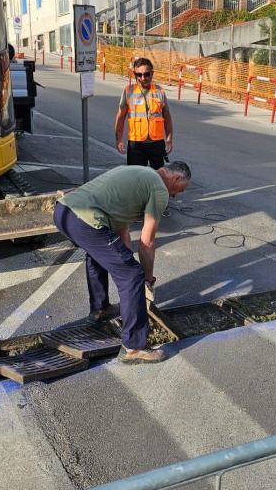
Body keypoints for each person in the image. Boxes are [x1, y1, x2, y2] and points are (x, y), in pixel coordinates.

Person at [54, 161, 192, 364]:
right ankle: (134, 348)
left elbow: (122, 232)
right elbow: (147, 242)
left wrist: (125, 261)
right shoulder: (159, 189)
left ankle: (100, 310)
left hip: (64, 212)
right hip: (84, 219)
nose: (176, 196)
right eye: (179, 190)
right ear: (175, 178)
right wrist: (145, 279)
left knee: (99, 254)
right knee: (132, 275)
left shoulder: (140, 175)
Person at [114, 57, 173, 169]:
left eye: (146, 74)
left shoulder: (160, 91)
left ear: (152, 73)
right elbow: (120, 117)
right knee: (136, 178)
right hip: (136, 145)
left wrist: (169, 139)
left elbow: (167, 116)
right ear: (134, 74)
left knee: (159, 177)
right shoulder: (128, 91)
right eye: (139, 75)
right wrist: (119, 139)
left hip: (157, 144)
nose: (143, 78)